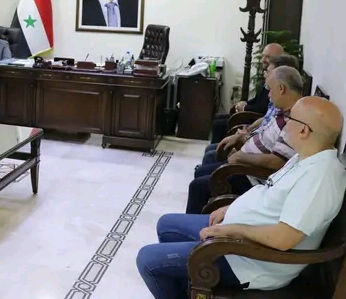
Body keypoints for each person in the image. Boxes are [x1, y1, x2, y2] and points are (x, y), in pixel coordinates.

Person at [136, 96, 346, 297]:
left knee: (147, 260)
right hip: (240, 238)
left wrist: (228, 230)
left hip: (252, 260)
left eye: (289, 118)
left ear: (303, 130)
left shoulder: (320, 177)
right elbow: (269, 192)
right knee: (167, 225)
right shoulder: (306, 156)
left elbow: (283, 239)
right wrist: (230, 208)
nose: (285, 124)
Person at [185, 66, 303, 214]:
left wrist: (242, 157)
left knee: (197, 186)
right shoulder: (282, 111)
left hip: (253, 177)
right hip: (246, 164)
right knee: (201, 172)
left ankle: (197, 226)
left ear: (281, 89)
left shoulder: (293, 121)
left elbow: (277, 162)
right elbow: (263, 138)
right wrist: (242, 140)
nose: (269, 95)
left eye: (270, 89)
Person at [201, 54, 299, 165]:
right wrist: (245, 134)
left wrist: (241, 154)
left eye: (269, 71)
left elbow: (277, 161)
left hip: (250, 166)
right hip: (249, 147)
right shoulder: (281, 110)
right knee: (212, 149)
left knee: (210, 156)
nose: (265, 73)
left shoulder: (291, 119)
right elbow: (264, 123)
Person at [210, 43, 285, 144]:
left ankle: (219, 149)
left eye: (267, 57)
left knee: (219, 124)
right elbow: (258, 99)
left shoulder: (277, 80)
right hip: (254, 120)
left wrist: (245, 108)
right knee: (218, 118)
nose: (263, 60)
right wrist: (244, 104)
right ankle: (218, 148)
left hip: (255, 119)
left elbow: (263, 108)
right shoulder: (267, 74)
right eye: (263, 56)